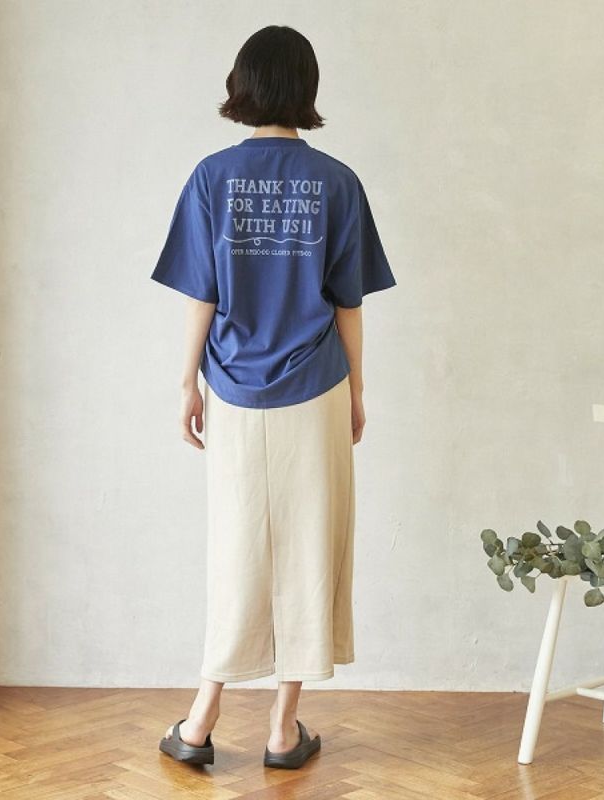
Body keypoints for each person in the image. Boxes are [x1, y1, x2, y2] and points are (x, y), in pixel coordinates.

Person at [151, 24, 396, 769]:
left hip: (232, 388)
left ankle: (200, 723)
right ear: (306, 87)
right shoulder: (337, 182)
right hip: (317, 385)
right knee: (310, 549)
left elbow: (201, 293)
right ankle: (283, 731)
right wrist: (357, 390)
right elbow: (348, 302)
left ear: (244, 85)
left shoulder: (211, 177)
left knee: (236, 547)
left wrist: (187, 382)